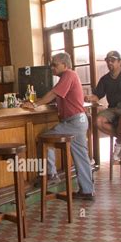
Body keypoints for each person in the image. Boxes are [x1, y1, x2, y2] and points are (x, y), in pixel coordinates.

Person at [22, 52, 95, 200]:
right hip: (78, 121)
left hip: (74, 122)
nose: (51, 67)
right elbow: (57, 96)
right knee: (81, 156)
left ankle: (52, 174)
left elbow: (53, 94)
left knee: (44, 139)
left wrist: (34, 104)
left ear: (65, 65)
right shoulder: (67, 77)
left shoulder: (68, 74)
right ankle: (87, 191)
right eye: (51, 64)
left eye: (54, 64)